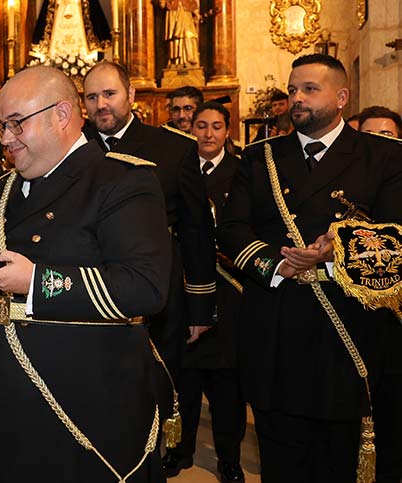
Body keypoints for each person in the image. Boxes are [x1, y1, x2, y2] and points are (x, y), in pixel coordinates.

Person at [0, 65, 172, 483]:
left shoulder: (121, 179)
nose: (5, 138)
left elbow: (145, 287)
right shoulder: (3, 190)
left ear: (61, 115)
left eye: (17, 123)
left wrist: (35, 281)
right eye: (1, 125)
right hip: (5, 393)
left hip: (86, 398)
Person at [217, 53, 402, 483]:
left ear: (341, 97)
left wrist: (335, 250)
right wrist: (278, 263)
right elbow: (230, 229)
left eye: (309, 90)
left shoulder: (384, 156)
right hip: (276, 325)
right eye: (292, 90)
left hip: (350, 326)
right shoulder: (259, 157)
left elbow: (396, 235)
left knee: (339, 459)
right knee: (282, 459)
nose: (296, 98)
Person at [82, 61, 216, 379]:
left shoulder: (174, 148)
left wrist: (200, 305)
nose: (101, 104)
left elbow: (195, 229)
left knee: (159, 382)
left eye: (110, 94)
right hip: (88, 282)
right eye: (91, 97)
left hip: (158, 286)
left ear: (130, 94)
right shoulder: (68, 148)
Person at [164, 101, 246, 482]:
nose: (208, 134)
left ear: (228, 131)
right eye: (201, 125)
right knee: (185, 379)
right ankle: (180, 450)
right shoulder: (177, 169)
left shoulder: (242, 170)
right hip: (184, 286)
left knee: (227, 384)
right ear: (191, 129)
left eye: (216, 126)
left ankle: (229, 457)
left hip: (229, 290)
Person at [161, 0, 200, 67]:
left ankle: (189, 58)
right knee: (176, 36)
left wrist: (196, 13)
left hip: (186, 12)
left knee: (189, 35)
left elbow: (192, 3)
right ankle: (176, 61)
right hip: (174, 12)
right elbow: (162, 5)